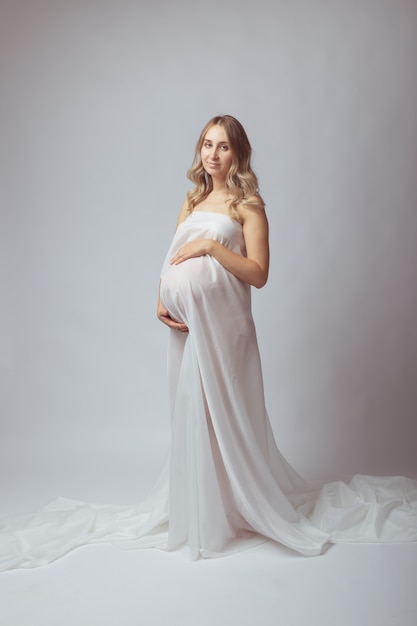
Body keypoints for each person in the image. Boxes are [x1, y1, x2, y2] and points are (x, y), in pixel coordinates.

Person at [0, 115, 416, 571]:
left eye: (222, 147)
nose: (212, 155)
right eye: (206, 145)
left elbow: (259, 274)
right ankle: (204, 509)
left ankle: (241, 506)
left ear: (238, 153)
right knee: (192, 412)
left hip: (226, 328)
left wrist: (213, 249)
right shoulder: (193, 199)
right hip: (188, 327)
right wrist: (160, 295)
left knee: (225, 414)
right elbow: (171, 253)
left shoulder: (249, 205)